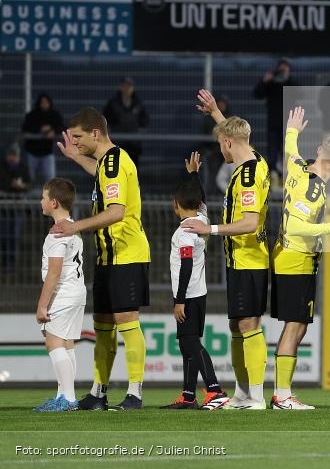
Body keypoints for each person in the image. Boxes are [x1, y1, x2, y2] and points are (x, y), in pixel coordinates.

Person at [55, 108, 151, 411]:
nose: (76, 141)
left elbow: (116, 212)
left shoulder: (113, 163)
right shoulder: (111, 162)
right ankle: (99, 392)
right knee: (103, 325)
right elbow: (99, 174)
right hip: (110, 256)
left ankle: (134, 393)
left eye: (79, 137)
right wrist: (74, 156)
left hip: (126, 253)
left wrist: (75, 226)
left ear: (96, 133)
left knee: (126, 321)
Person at [188, 90, 271, 410]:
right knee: (237, 326)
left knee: (249, 325)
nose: (219, 148)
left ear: (227, 144)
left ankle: (258, 397)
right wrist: (215, 114)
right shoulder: (255, 160)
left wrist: (209, 229)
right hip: (240, 260)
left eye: (221, 142)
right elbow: (238, 135)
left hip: (250, 259)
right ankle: (242, 393)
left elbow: (249, 223)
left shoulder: (248, 174)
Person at [269, 106, 330, 410]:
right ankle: (282, 395)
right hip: (297, 258)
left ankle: (282, 392)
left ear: (320, 150)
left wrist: (292, 131)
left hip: (287, 255)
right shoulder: (315, 187)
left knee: (298, 326)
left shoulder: (298, 167)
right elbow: (295, 224)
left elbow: (290, 150)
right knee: (295, 327)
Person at [160, 152, 229, 411]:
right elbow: (201, 199)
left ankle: (214, 390)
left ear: (176, 203)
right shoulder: (202, 219)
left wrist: (179, 301)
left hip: (187, 294)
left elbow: (186, 265)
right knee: (187, 344)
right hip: (199, 292)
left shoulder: (185, 231)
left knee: (190, 343)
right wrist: (194, 175)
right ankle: (189, 395)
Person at [32, 178, 85, 412]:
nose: (40, 201)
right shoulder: (73, 227)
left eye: (43, 197)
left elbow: (53, 273)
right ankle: (63, 394)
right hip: (77, 290)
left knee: (53, 341)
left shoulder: (57, 233)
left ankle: (68, 399)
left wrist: (42, 305)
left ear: (53, 202)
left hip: (63, 293)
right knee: (67, 343)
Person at [253, 59, 298, 173]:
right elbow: (257, 94)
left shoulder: (291, 83)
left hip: (288, 125)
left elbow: (300, 93)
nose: (282, 72)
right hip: (273, 124)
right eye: (280, 70)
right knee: (272, 154)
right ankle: (272, 177)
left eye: (285, 69)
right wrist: (265, 81)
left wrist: (287, 78)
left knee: (288, 153)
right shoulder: (271, 84)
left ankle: (288, 177)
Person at [103, 77, 149, 167]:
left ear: (132, 88)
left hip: (134, 144)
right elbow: (105, 118)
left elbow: (144, 119)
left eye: (129, 86)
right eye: (125, 86)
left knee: (133, 168)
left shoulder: (138, 103)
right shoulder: (113, 103)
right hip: (118, 142)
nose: (127, 89)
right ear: (120, 87)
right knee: (118, 168)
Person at [21, 93, 64, 184]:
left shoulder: (54, 114)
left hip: (47, 152)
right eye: (42, 102)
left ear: (50, 103)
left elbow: (62, 127)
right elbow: (25, 129)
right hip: (32, 152)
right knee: (29, 178)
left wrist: (53, 131)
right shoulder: (32, 115)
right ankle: (27, 197)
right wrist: (40, 129)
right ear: (39, 103)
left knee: (51, 179)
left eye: (46, 102)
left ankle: (51, 197)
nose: (44, 104)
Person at [0, 144, 31, 269]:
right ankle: (5, 262)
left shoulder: (23, 168)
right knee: (4, 234)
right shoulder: (2, 167)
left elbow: (28, 184)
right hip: (4, 207)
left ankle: (11, 263)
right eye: (10, 156)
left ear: (18, 157)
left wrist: (22, 187)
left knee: (14, 235)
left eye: (14, 156)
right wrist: (11, 185)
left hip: (18, 207)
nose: (12, 158)